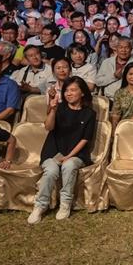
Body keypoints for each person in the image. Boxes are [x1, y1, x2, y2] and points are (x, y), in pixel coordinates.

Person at [27, 77, 96, 224]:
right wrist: (52, 110)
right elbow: (48, 127)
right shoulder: (59, 108)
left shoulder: (89, 113)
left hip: (76, 153)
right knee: (51, 171)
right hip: (53, 151)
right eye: (66, 90)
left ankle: (65, 204)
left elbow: (85, 139)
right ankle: (40, 206)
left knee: (69, 165)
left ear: (82, 93)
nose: (68, 93)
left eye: (73, 90)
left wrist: (69, 156)